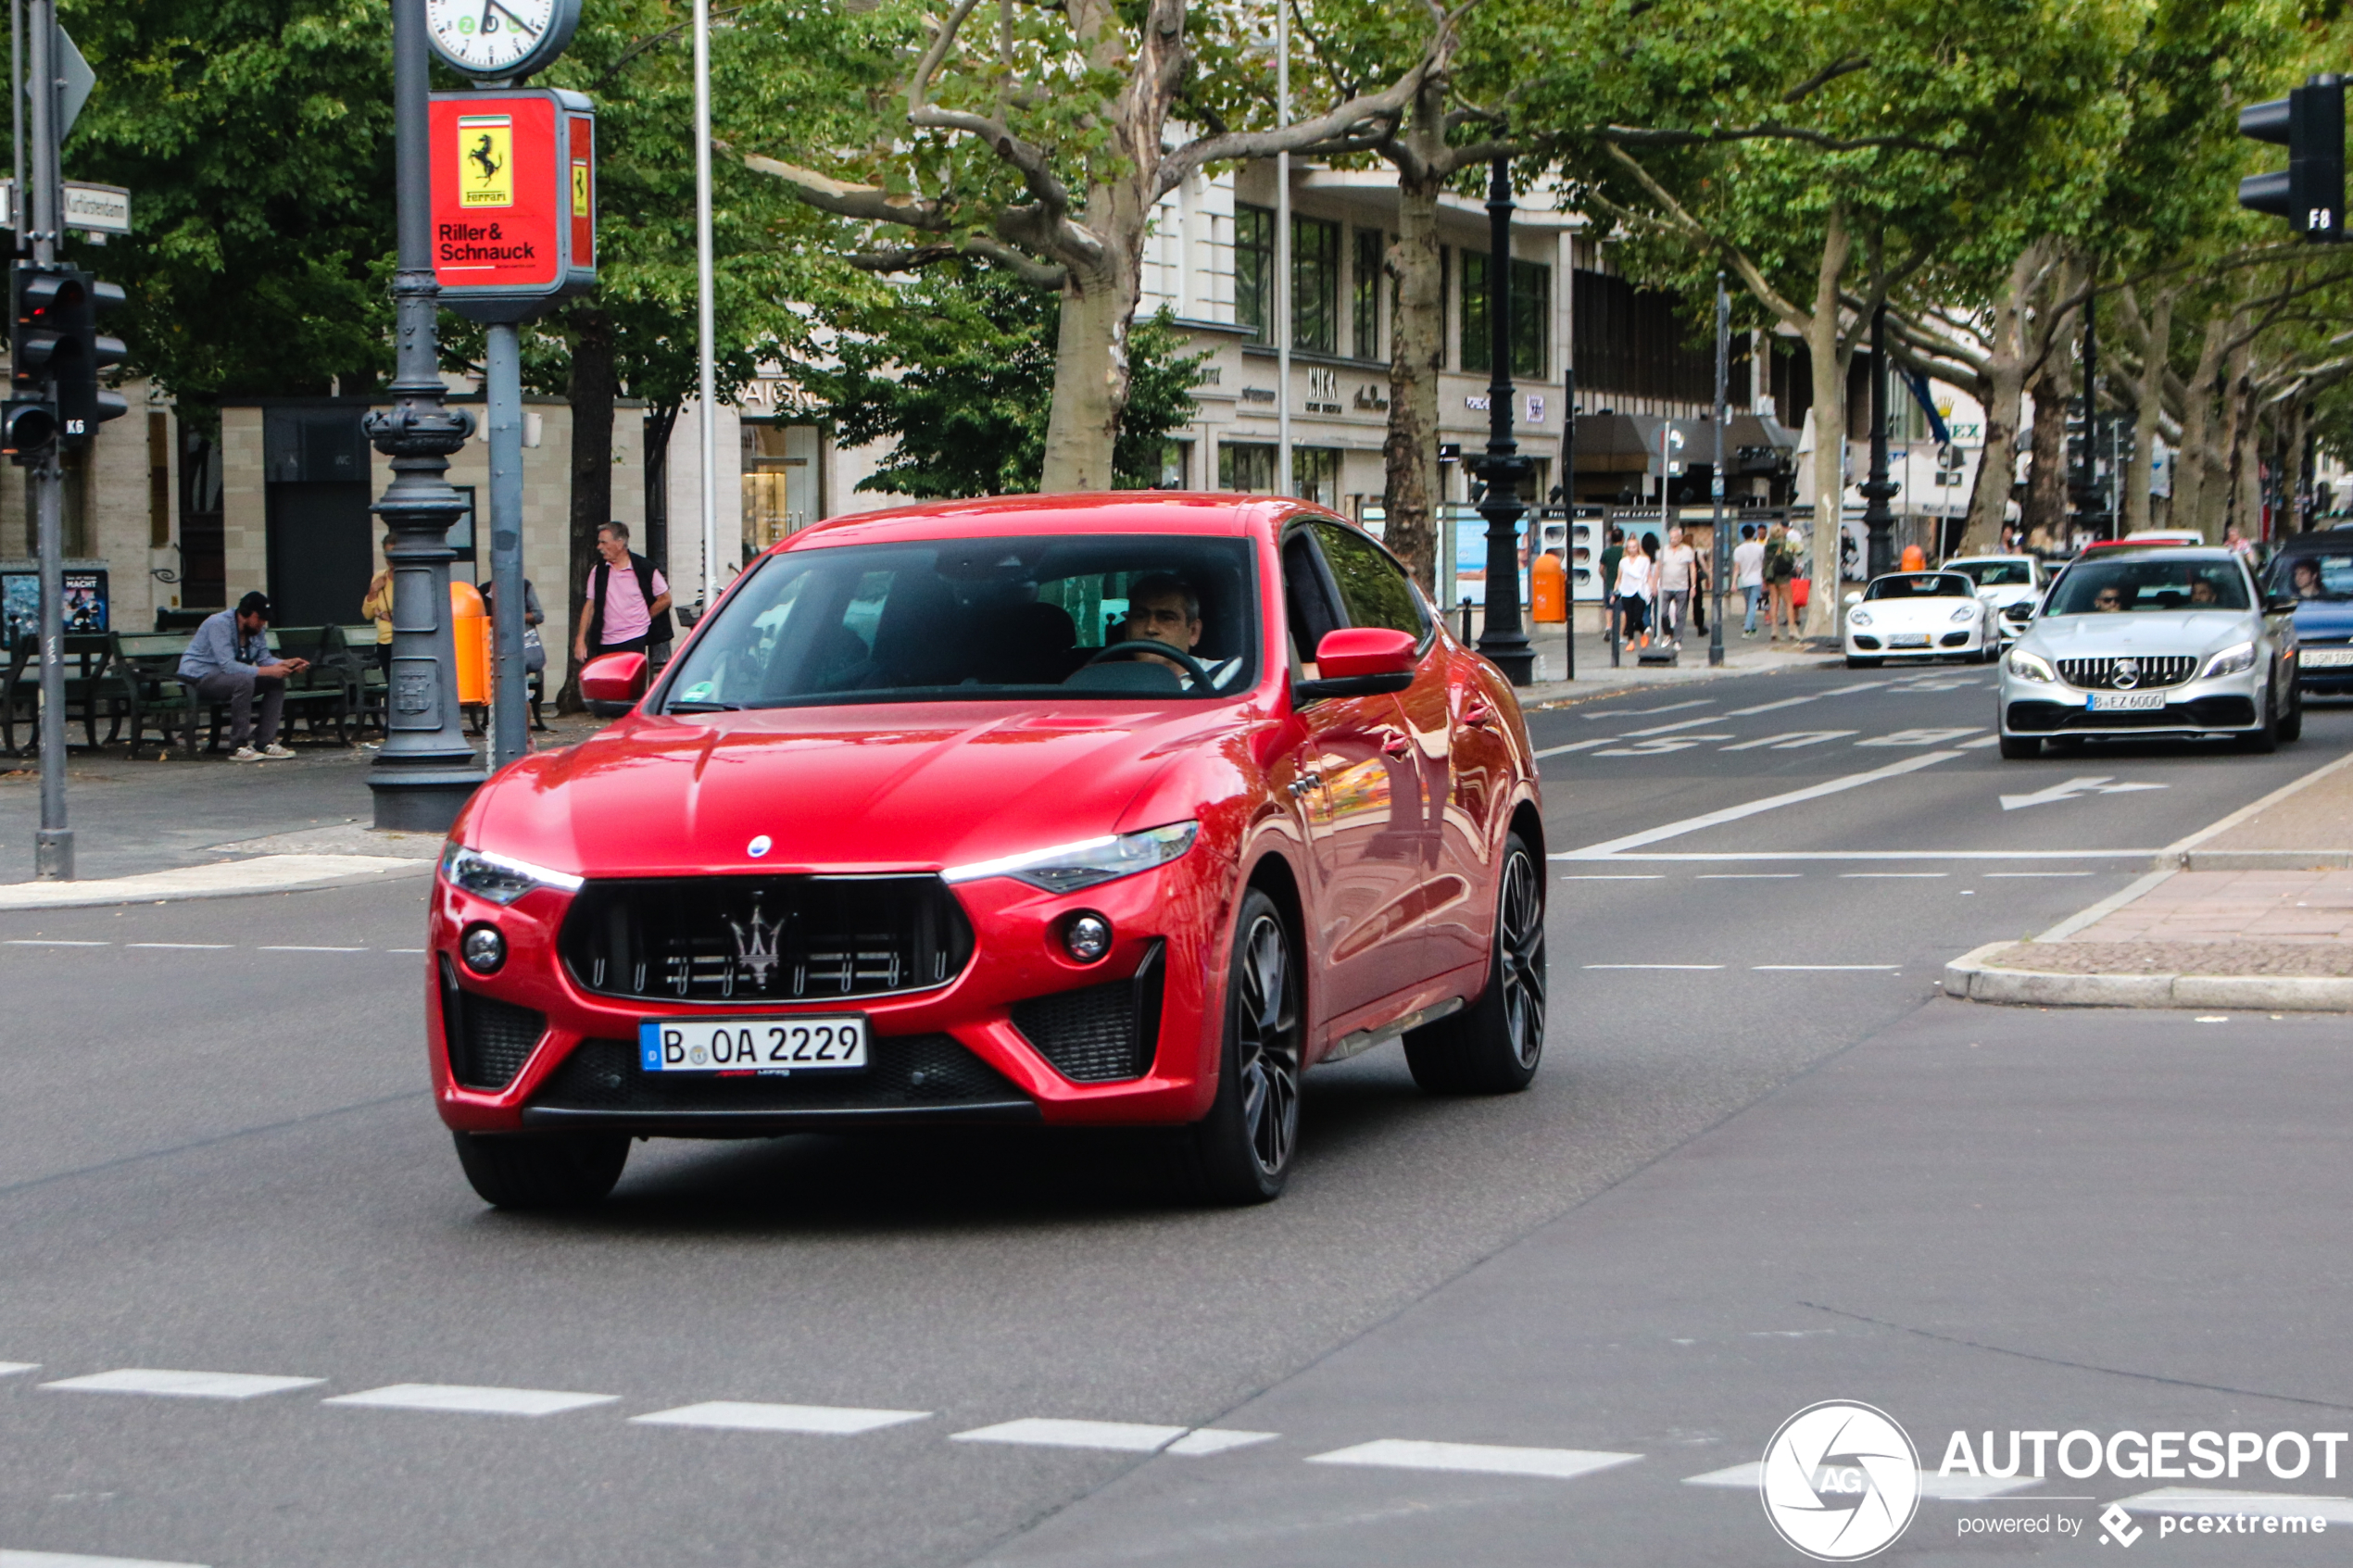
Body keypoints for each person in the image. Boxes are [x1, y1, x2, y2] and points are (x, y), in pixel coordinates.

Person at [178, 590, 308, 762]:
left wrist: (285, 664)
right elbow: (228, 665)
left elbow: (264, 659)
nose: (262, 623)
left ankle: (264, 741)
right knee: (244, 681)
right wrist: (268, 670)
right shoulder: (218, 624)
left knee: (274, 681)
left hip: (228, 678)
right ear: (246, 613)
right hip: (197, 678)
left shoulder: (256, 630)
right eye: (259, 618)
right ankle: (237, 745)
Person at [574, 521, 673, 665]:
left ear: (619, 543)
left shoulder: (644, 567)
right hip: (605, 640)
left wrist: (644, 617)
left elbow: (665, 599)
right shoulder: (599, 570)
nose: (599, 547)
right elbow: (590, 605)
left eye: (604, 542)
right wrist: (580, 639)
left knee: (630, 682)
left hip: (634, 637)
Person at [1655, 524, 1698, 646]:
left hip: (1682, 587)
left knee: (1680, 614)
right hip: (1665, 586)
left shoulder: (1687, 551)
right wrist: (1655, 584)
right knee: (1663, 613)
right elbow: (1658, 568)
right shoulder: (1663, 550)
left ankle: (1677, 639)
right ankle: (1669, 632)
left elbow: (1692, 568)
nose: (1672, 540)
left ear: (1680, 538)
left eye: (1675, 537)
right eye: (1671, 537)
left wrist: (1693, 586)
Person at [359, 534, 396, 675]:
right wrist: (373, 590)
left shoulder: (409, 577)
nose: (390, 559)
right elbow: (367, 613)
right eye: (387, 554)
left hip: (403, 641)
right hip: (384, 641)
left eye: (394, 554)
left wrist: (380, 613)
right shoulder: (380, 576)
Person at [1616, 533, 1655, 646]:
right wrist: (1615, 591)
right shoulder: (1623, 562)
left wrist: (1652, 589)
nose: (1632, 549)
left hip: (1640, 591)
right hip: (1626, 591)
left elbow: (1648, 576)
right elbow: (1619, 578)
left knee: (1638, 617)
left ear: (1638, 548)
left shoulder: (1644, 560)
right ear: (1627, 548)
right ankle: (1631, 641)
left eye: (1634, 547)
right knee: (1629, 617)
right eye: (1630, 547)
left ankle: (1643, 633)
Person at [1764, 522, 1799, 642]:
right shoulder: (1786, 544)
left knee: (1774, 602)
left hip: (1771, 576)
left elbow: (1765, 562)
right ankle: (1792, 629)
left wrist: (1764, 578)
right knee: (1789, 603)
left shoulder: (1768, 546)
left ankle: (1774, 630)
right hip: (1783, 575)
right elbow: (1790, 559)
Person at [1733, 523, 1766, 637]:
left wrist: (1733, 583)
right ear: (1754, 534)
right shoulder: (1760, 548)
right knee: (1753, 605)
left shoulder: (1738, 550)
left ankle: (1752, 628)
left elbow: (1737, 568)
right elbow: (1763, 565)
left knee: (1748, 605)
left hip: (1744, 580)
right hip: (1756, 579)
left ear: (1743, 535)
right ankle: (1748, 629)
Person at [1599, 527, 1626, 644]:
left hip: (1610, 583)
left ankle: (1608, 625)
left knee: (1609, 608)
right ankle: (1620, 635)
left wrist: (1605, 578)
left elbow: (1601, 569)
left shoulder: (1606, 552)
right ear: (1623, 539)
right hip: (1624, 585)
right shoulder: (1625, 552)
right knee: (1623, 610)